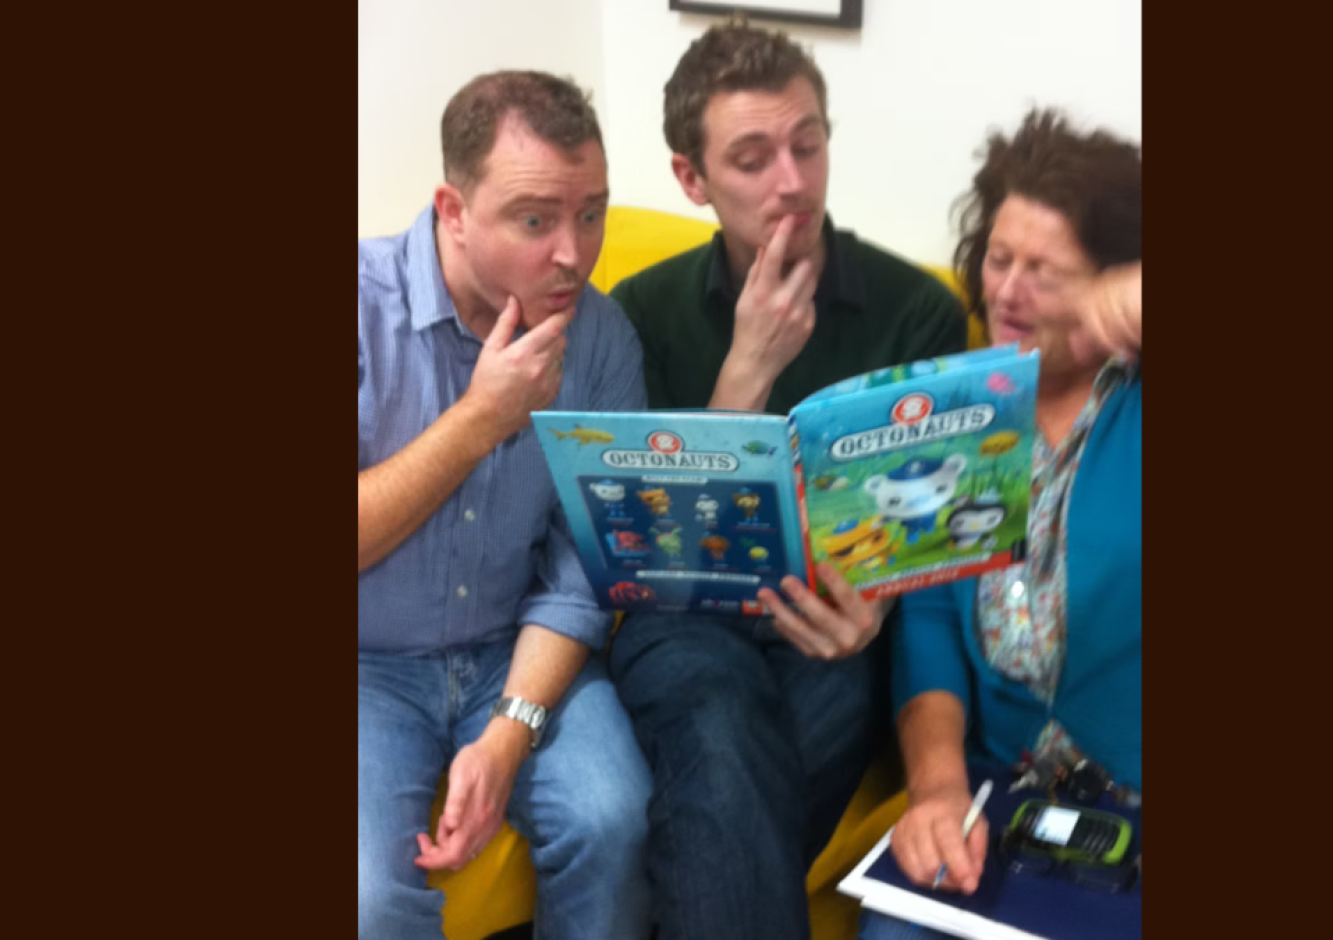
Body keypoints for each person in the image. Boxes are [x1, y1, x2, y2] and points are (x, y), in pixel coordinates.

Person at [605, 20, 970, 940]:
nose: (793, 182)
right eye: (753, 157)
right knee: (721, 727)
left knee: (749, 767)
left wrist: (877, 610)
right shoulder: (642, 310)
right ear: (691, 178)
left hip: (834, 632)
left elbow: (927, 520)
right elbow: (655, 549)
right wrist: (747, 370)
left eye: (807, 145)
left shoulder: (916, 312)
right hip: (683, 620)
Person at [358, 70, 652, 940]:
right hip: (366, 665)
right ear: (453, 210)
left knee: (613, 820)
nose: (575, 251)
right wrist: (481, 419)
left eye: (592, 212)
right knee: (367, 902)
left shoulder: (600, 338)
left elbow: (583, 565)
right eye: (536, 220)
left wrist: (510, 731)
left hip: (512, 652)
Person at [859, 108, 1142, 940]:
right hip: (1003, 797)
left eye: (1046, 272)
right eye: (999, 258)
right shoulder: (955, 415)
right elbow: (933, 621)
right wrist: (939, 790)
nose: (1008, 292)